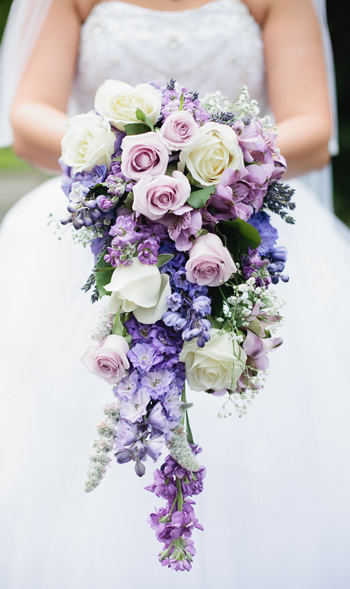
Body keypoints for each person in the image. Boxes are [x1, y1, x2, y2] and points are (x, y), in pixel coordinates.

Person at [0, 1, 350, 588]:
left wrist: (214, 165)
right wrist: (125, 163)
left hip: (244, 226)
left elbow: (313, 125)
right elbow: (28, 112)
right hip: (103, 229)